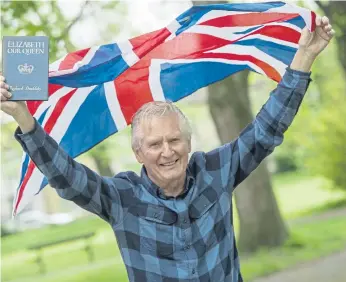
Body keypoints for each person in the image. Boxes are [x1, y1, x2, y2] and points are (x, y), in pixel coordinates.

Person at [0, 16, 334, 282]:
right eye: (154, 144)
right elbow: (67, 177)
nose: (167, 151)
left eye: (174, 140)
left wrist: (304, 56)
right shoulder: (121, 198)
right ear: (138, 153)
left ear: (188, 143)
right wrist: (25, 119)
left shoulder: (217, 170)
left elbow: (266, 130)